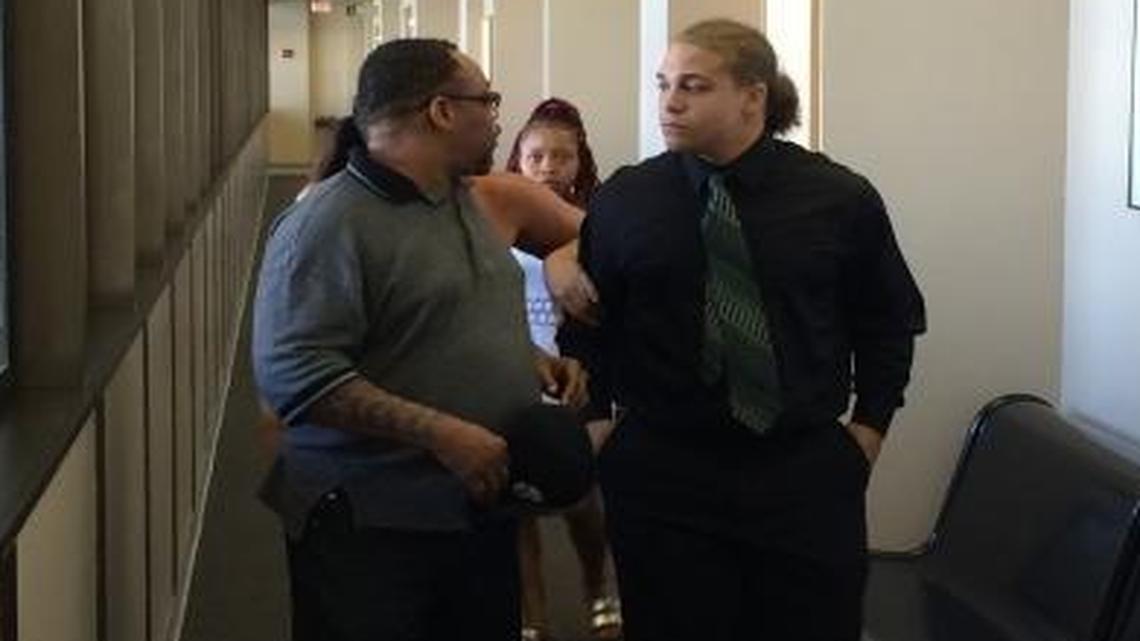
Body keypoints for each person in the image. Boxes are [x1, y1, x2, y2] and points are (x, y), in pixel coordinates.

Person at [559, 19, 926, 641]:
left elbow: (887, 321)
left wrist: (868, 430)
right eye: (663, 84)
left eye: (693, 86)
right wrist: (597, 425)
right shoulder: (628, 199)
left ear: (752, 96)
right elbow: (590, 323)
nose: (670, 102)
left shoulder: (838, 198)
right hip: (663, 473)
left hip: (799, 471)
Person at [252, 38, 589, 641]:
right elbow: (297, 376)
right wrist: (443, 434)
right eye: (486, 100)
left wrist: (527, 357)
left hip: (473, 509)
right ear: (441, 112)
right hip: (373, 526)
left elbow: (434, 314)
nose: (496, 117)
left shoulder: (460, 201)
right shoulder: (329, 224)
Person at [504, 98, 621, 641]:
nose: (548, 167)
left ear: (581, 162)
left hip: (580, 380)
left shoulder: (600, 226)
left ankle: (598, 588)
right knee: (516, 505)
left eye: (561, 157)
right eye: (535, 157)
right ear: (517, 162)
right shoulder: (495, 226)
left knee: (581, 496)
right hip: (510, 379)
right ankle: (532, 615)